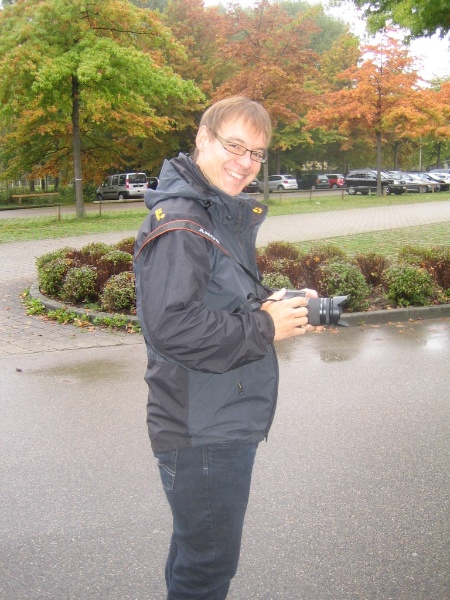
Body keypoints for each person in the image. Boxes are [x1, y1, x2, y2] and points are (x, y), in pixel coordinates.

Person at [134, 96, 320, 600]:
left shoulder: (210, 210)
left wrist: (277, 305)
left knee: (196, 554)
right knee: (207, 569)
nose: (245, 162)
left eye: (256, 153)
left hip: (214, 414)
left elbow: (218, 297)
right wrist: (265, 326)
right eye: (233, 146)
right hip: (203, 428)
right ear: (202, 138)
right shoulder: (183, 222)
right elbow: (172, 326)